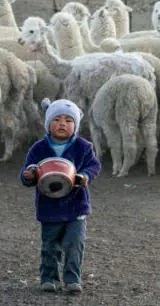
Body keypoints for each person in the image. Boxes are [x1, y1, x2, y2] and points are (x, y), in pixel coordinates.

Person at [20, 99, 101, 294]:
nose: (62, 123)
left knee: (75, 243)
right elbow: (28, 171)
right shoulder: (39, 148)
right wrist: (28, 175)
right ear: (48, 124)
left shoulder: (83, 146)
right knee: (50, 245)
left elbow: (94, 165)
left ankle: (72, 279)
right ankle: (49, 278)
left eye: (68, 120)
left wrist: (85, 176)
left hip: (76, 205)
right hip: (49, 206)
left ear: (76, 125)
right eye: (56, 119)